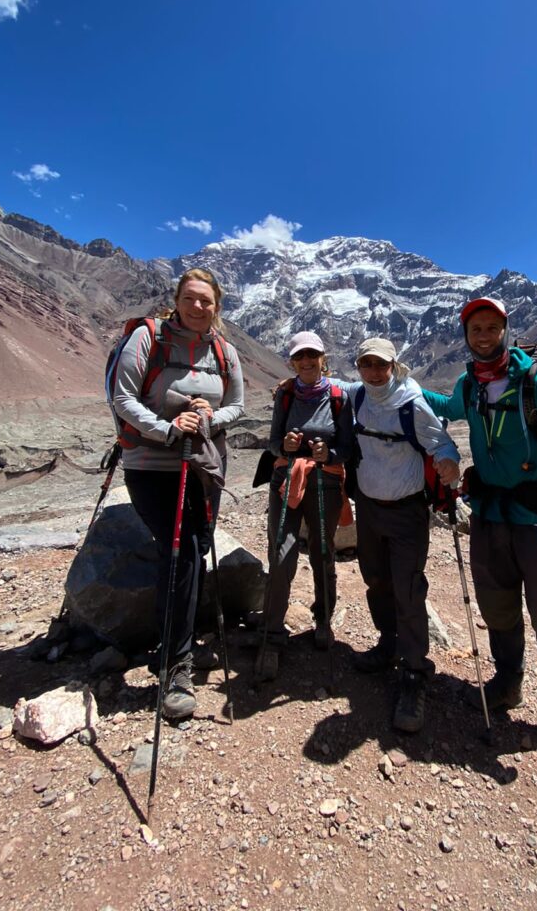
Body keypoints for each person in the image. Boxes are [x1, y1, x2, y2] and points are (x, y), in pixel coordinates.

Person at [422, 298, 537, 772]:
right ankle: (507, 682)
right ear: (465, 333)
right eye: (475, 327)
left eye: (491, 326)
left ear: (505, 329)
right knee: (497, 609)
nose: (483, 334)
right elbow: (446, 406)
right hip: (489, 518)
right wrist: (402, 386)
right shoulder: (469, 386)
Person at [113, 268, 244, 718]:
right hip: (153, 465)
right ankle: (175, 663)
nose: (198, 307)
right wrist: (168, 429)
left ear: (216, 307)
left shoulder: (224, 351)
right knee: (182, 552)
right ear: (177, 299)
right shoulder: (148, 339)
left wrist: (209, 417)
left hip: (204, 464)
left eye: (207, 301)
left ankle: (178, 634)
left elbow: (238, 405)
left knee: (195, 546)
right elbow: (122, 397)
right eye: (191, 298)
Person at [333, 338, 460, 734]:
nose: (373, 371)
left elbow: (441, 441)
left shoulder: (411, 402)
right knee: (375, 580)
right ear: (359, 366)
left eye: (380, 364)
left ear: (393, 365)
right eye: (366, 364)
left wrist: (449, 463)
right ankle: (388, 643)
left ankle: (415, 673)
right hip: (370, 508)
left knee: (407, 589)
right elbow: (325, 385)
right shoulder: (357, 397)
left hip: (406, 512)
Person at [255, 332, 354, 682]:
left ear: (323, 358)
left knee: (322, 552)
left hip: (325, 483)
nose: (307, 362)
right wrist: (285, 445)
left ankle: (323, 618)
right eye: (301, 357)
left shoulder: (339, 396)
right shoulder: (285, 394)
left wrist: (330, 454)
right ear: (292, 362)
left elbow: (347, 446)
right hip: (287, 483)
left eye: (313, 356)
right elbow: (273, 445)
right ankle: (272, 633)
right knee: (281, 556)